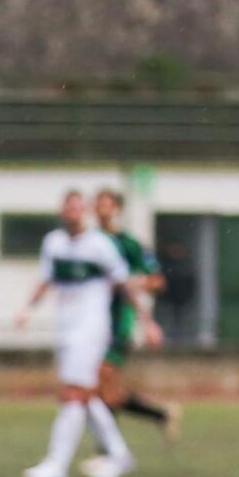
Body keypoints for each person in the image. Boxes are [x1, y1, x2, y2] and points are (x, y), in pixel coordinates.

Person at [16, 189, 137, 477]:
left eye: (78, 208)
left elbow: (124, 283)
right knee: (86, 394)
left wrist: (146, 321)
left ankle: (56, 466)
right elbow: (46, 280)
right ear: (62, 211)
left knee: (72, 393)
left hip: (91, 328)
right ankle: (120, 455)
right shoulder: (53, 242)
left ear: (85, 212)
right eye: (68, 207)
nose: (73, 212)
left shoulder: (100, 245)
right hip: (66, 328)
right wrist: (27, 309)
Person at [91, 188, 181, 445]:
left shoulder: (128, 244)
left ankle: (107, 452)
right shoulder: (89, 241)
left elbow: (157, 281)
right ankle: (161, 415)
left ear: (117, 209)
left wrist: (131, 284)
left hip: (118, 322)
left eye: (106, 204)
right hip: (91, 323)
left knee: (102, 381)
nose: (101, 209)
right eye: (97, 204)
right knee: (102, 392)